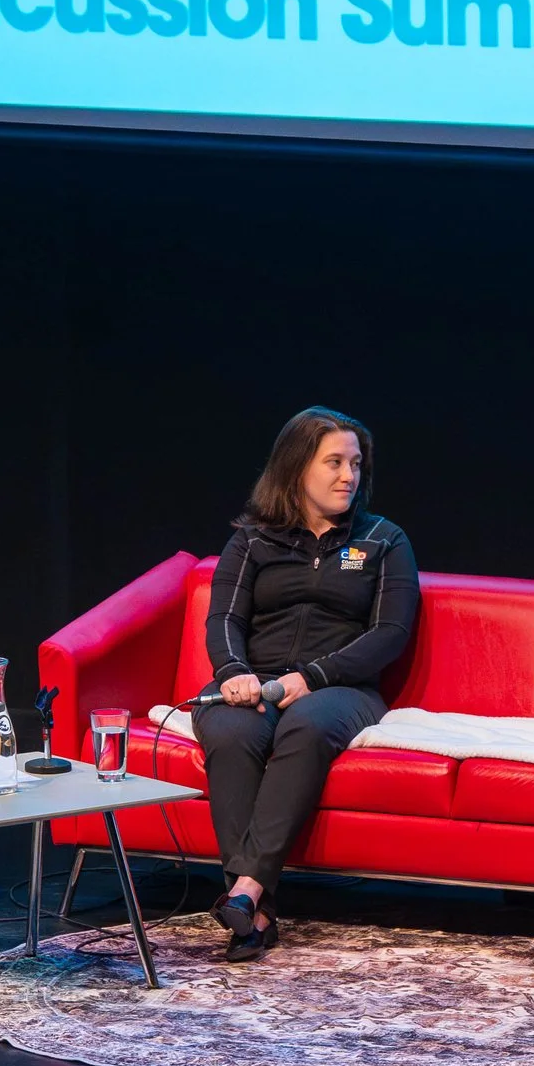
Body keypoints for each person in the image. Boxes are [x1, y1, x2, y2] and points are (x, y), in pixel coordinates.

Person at [195, 407, 420, 962]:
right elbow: (224, 620)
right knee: (228, 730)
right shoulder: (252, 539)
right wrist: (233, 675)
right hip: (255, 683)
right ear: (297, 469)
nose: (349, 476)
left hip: (342, 690)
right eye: (335, 463)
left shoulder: (384, 541)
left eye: (356, 464)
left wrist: (312, 677)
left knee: (305, 722)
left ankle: (244, 891)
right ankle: (256, 912)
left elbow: (390, 633)